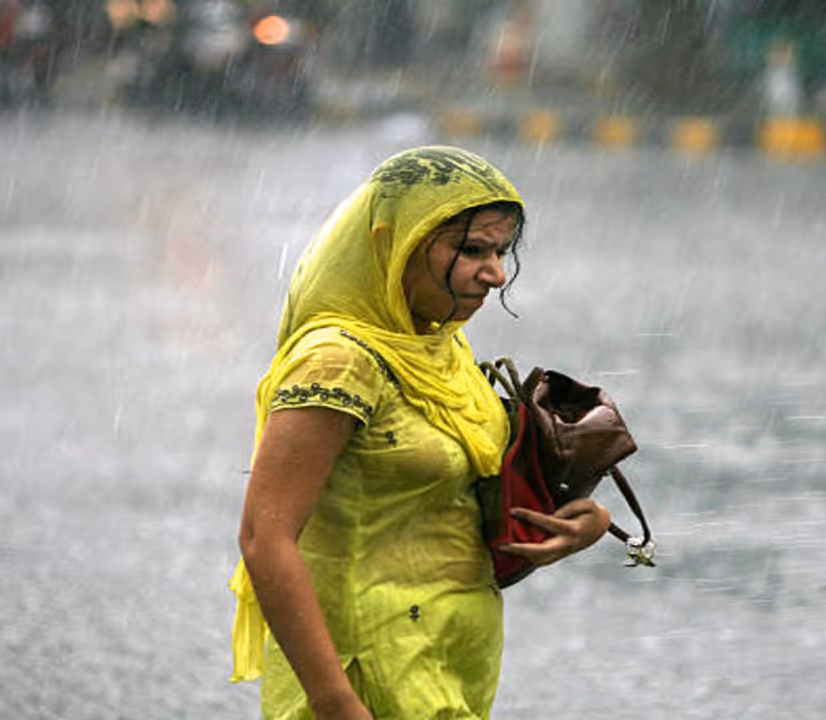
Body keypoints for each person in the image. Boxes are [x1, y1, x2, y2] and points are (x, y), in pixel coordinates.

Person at [229, 145, 612, 720]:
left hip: (444, 670)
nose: (495, 274)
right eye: (472, 250)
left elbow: (450, 504)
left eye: (501, 252)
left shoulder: (439, 347)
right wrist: (333, 700)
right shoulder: (338, 362)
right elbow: (265, 537)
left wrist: (579, 522)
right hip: (364, 673)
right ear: (397, 244)